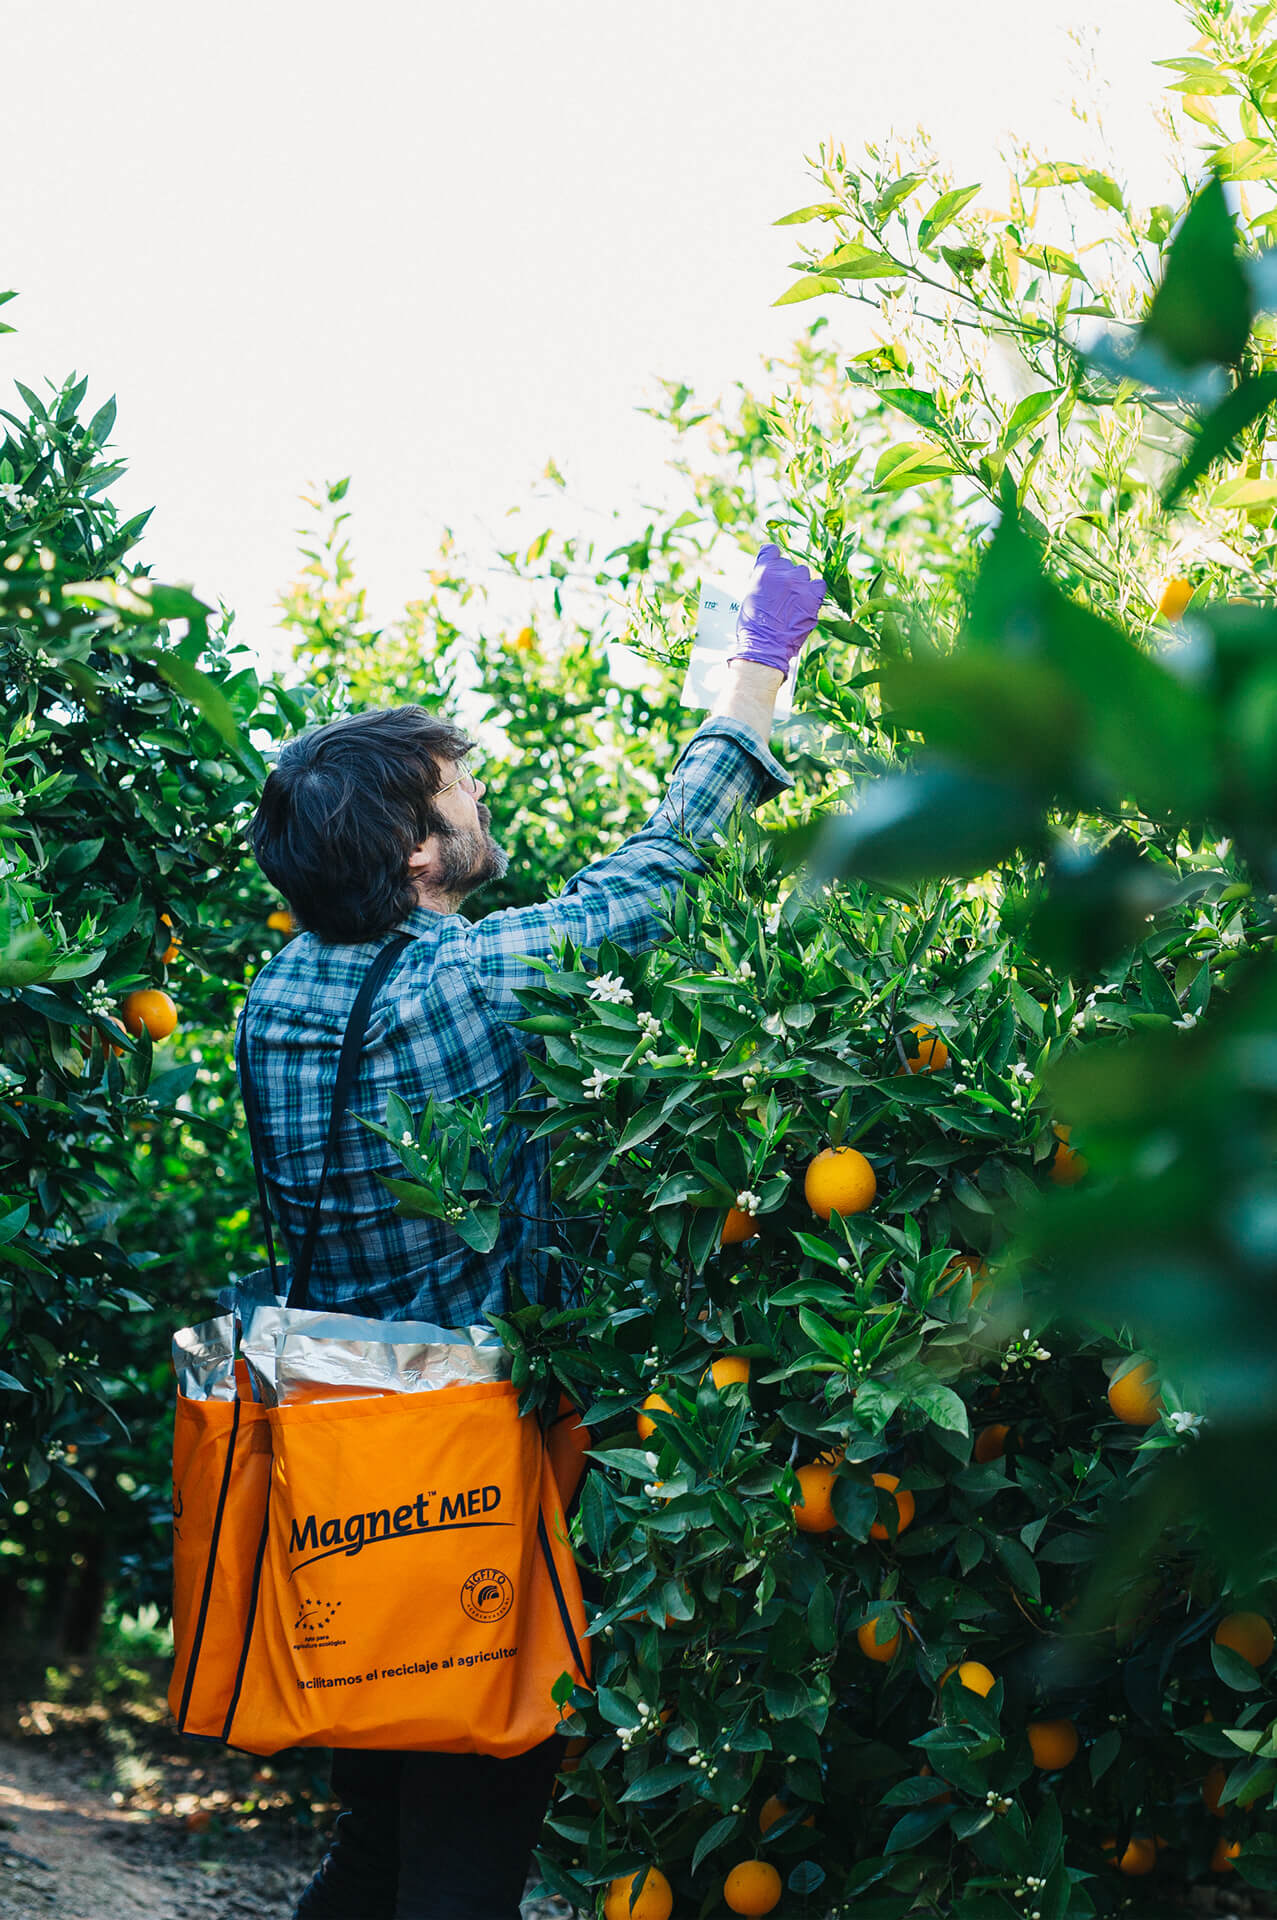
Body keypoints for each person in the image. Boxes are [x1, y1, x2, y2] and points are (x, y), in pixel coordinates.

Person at [238, 544, 826, 1920]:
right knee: (467, 1839)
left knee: (377, 1835)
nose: (480, 798)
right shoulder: (469, 978)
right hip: (464, 1467)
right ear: (419, 849)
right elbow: (655, 873)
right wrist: (755, 672)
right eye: (462, 788)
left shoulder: (271, 999)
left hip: (334, 1448)